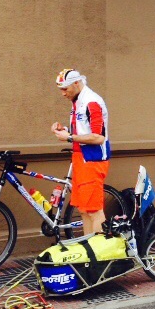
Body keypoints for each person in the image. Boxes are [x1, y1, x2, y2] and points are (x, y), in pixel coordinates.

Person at [51, 68, 110, 235]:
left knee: (94, 210)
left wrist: (69, 137)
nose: (63, 93)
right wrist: (65, 130)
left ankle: (99, 249)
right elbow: (84, 130)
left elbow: (98, 137)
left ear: (76, 83)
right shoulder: (78, 101)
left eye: (65, 88)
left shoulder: (92, 102)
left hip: (92, 160)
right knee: (84, 209)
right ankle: (89, 245)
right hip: (81, 159)